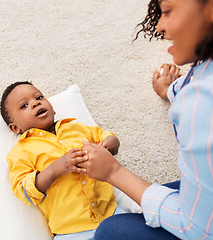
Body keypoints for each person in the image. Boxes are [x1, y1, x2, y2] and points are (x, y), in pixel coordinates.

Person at [78, 0, 213, 239]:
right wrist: (169, 90)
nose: (159, 25)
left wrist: (113, 172)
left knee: (111, 231)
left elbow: (198, 229)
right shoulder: (199, 81)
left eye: (168, 11)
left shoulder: (200, 101)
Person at [0, 81, 123, 239]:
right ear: (15, 128)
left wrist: (108, 146)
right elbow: (24, 190)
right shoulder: (21, 151)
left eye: (39, 97)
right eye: (24, 106)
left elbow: (108, 137)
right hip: (71, 232)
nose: (35, 103)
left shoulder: (76, 128)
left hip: (113, 213)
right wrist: (56, 169)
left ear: (53, 108)